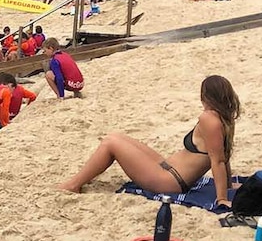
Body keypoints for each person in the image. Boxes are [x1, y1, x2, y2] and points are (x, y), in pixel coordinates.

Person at [59, 76, 240, 203]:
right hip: (169, 170)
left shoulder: (209, 119)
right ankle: (79, 180)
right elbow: (223, 156)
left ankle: (74, 184)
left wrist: (222, 198)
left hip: (170, 181)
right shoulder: (223, 119)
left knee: (110, 144)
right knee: (116, 136)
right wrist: (229, 184)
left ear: (206, 96)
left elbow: (218, 161)